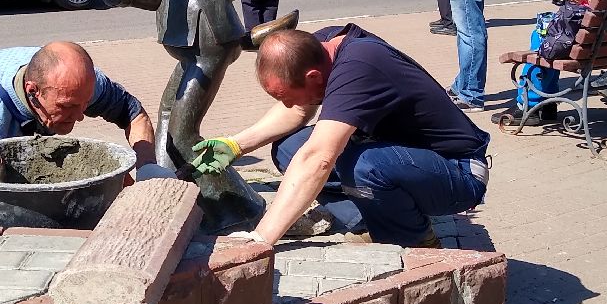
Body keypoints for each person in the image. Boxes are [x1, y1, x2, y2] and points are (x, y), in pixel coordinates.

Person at [191, 26, 489, 247]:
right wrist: (236, 144)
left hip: (458, 171)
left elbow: (319, 158)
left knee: (363, 167)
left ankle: (417, 243)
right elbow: (296, 114)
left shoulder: (358, 68)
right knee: (289, 149)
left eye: (286, 96)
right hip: (405, 156)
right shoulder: (322, 48)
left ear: (313, 78)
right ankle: (367, 221)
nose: (288, 104)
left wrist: (262, 237)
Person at [0, 41, 155, 223]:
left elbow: (134, 114)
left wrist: (148, 174)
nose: (80, 116)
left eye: (85, 105)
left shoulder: (76, 83)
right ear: (33, 91)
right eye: (68, 107)